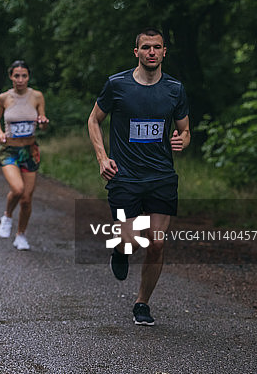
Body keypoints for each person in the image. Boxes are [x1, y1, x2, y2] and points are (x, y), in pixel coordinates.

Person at [86, 27, 190, 326]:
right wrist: (102, 158)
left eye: (157, 47)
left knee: (156, 243)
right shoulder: (116, 85)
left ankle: (142, 302)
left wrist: (183, 140)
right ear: (137, 52)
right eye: (146, 47)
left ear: (164, 51)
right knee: (129, 241)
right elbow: (94, 120)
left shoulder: (175, 89)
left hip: (161, 177)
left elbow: (185, 130)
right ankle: (120, 250)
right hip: (124, 178)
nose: (152, 52)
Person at [0, 60, 49, 250]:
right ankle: (7, 216)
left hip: (30, 151)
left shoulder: (37, 96)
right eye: (17, 76)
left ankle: (21, 235)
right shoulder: (4, 98)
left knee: (26, 199)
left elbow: (42, 123)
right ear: (11, 77)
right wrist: (0, 133)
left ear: (28, 77)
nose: (20, 79)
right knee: (17, 189)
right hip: (9, 150)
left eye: (24, 76)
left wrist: (43, 121)